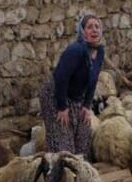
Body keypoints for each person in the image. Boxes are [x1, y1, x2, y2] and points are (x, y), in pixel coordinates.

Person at [39, 13, 104, 158]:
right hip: (55, 93)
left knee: (83, 135)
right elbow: (61, 77)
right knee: (63, 141)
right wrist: (61, 107)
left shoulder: (99, 51)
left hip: (76, 95)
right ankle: (60, 172)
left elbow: (93, 80)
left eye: (97, 27)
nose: (94, 30)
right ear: (82, 32)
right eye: (89, 27)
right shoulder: (76, 50)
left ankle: (80, 173)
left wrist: (87, 106)